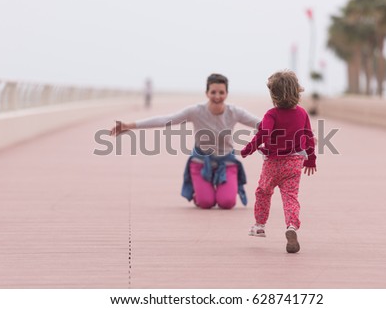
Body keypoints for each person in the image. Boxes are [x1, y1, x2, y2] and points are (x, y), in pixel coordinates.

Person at [110, 73, 260, 209]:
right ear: (206, 93)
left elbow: (260, 124)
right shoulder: (195, 111)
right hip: (201, 163)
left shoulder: (235, 112)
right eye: (213, 92)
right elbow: (165, 120)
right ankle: (199, 191)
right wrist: (129, 125)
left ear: (227, 93)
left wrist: (281, 124)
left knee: (227, 203)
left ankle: (225, 189)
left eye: (221, 92)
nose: (217, 96)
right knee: (206, 203)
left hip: (226, 162)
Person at [240, 70, 317, 253]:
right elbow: (308, 136)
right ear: (297, 91)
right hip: (295, 162)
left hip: (273, 164)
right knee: (290, 197)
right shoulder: (302, 113)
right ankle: (291, 226)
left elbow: (264, 134)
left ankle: (259, 225)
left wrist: (248, 149)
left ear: (273, 94)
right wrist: (311, 159)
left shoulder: (271, 114)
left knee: (263, 192)